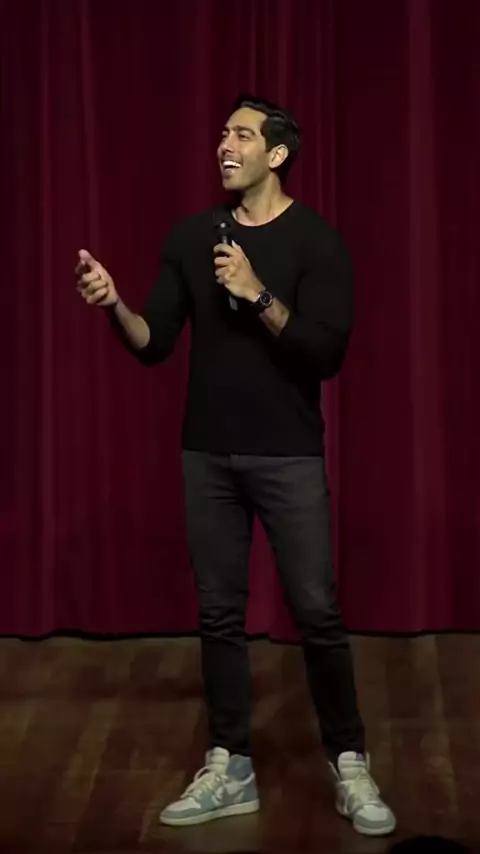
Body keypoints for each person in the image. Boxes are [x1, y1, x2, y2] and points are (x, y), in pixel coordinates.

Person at [75, 93, 396, 837]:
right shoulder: (193, 237)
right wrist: (114, 304)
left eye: (243, 135)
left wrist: (256, 294)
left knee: (315, 609)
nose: (225, 145)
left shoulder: (317, 242)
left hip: (288, 455)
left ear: (276, 155)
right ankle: (231, 765)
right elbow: (154, 342)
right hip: (208, 457)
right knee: (218, 614)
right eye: (223, 133)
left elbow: (325, 354)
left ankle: (349, 762)